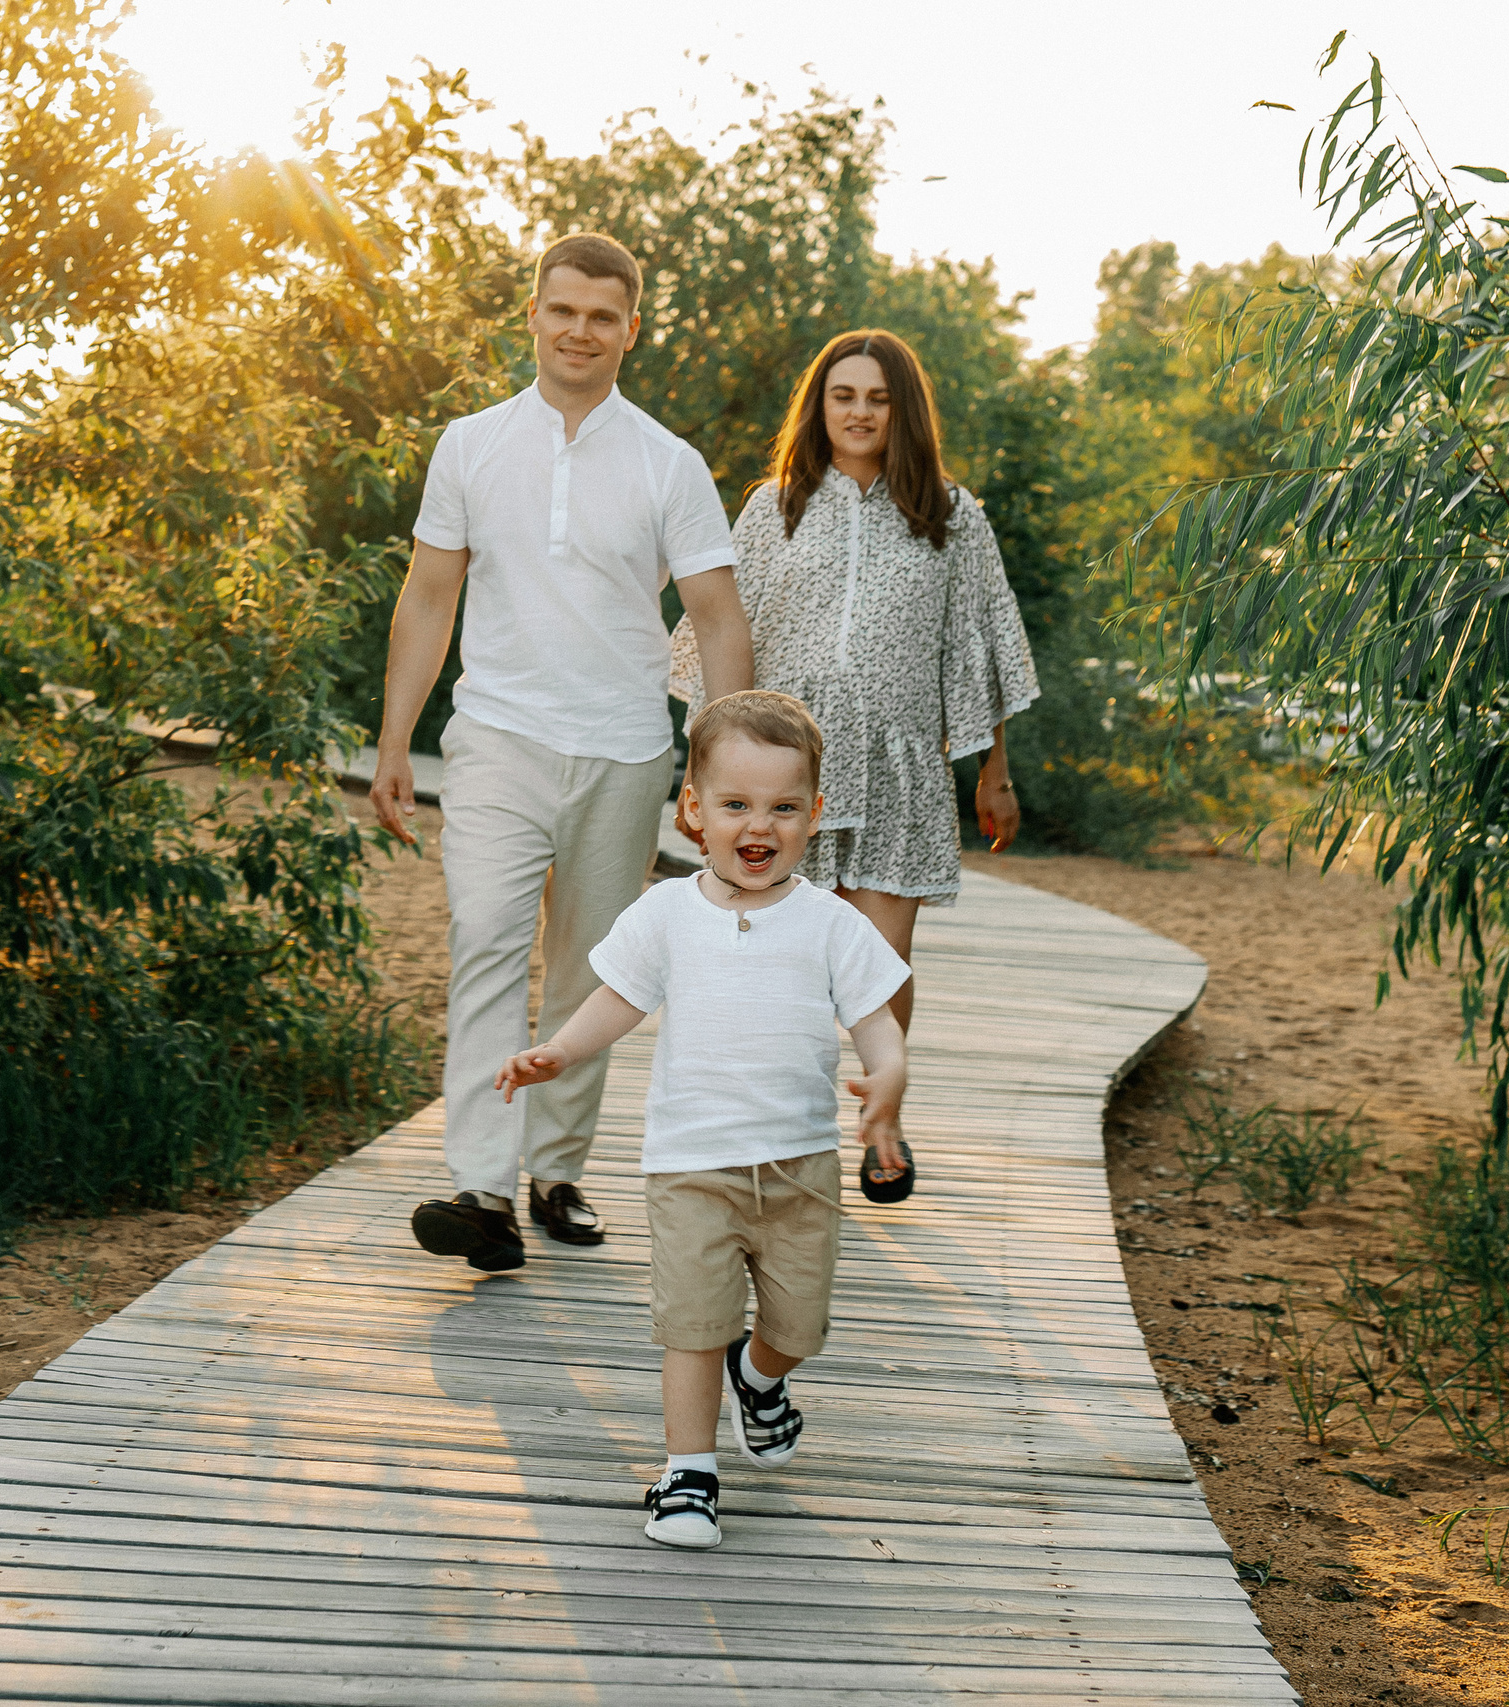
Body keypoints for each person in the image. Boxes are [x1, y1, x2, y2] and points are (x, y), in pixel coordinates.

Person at [374, 232, 754, 1274]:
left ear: (630, 329)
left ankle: (557, 1172)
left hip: (624, 749)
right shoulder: (470, 444)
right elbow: (428, 596)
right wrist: (394, 738)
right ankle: (480, 1189)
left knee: (589, 970)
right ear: (532, 317)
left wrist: (713, 771)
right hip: (496, 736)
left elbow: (720, 620)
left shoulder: (668, 464)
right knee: (489, 939)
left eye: (601, 315)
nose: (579, 330)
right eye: (562, 310)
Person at [496, 691, 909, 1549]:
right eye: (736, 804)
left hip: (800, 1168)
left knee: (800, 1326)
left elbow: (878, 1017)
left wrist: (888, 1076)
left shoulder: (833, 924)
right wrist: (559, 1053)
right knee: (692, 1323)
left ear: (814, 816)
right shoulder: (665, 914)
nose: (759, 825)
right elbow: (616, 1000)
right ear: (694, 812)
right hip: (690, 1166)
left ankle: (759, 1379)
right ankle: (689, 1471)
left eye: (783, 807)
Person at [669, 329, 1037, 1194]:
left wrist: (994, 771)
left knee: (882, 958)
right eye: (844, 396)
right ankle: (770, 1125)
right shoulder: (775, 506)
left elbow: (977, 645)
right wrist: (710, 777)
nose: (861, 412)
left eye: (877, 398)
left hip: (902, 764)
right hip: (785, 778)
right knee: (778, 952)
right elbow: (726, 632)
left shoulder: (951, 513)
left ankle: (881, 1119)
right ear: (821, 406)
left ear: (902, 410)